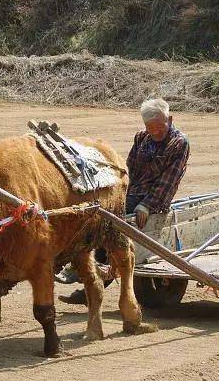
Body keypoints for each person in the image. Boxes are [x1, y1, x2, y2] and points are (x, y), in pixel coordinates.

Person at [57, 98, 190, 304]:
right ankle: (82, 268)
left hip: (153, 202)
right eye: (150, 127)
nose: (155, 132)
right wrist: (117, 193)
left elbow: (168, 182)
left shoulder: (179, 143)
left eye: (159, 127)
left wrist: (147, 205)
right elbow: (128, 169)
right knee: (97, 211)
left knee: (109, 228)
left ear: (170, 119)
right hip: (131, 193)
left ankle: (88, 281)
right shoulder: (141, 138)